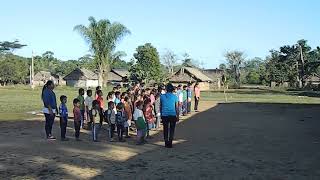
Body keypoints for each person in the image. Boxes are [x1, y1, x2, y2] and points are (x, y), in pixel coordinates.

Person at [160, 83, 179, 148]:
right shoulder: (175, 96)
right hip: (172, 115)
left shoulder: (162, 96)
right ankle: (170, 143)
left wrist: (161, 114)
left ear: (166, 89)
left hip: (164, 115)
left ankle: (166, 142)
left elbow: (161, 106)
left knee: (165, 129)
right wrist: (178, 116)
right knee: (172, 129)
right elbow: (176, 107)